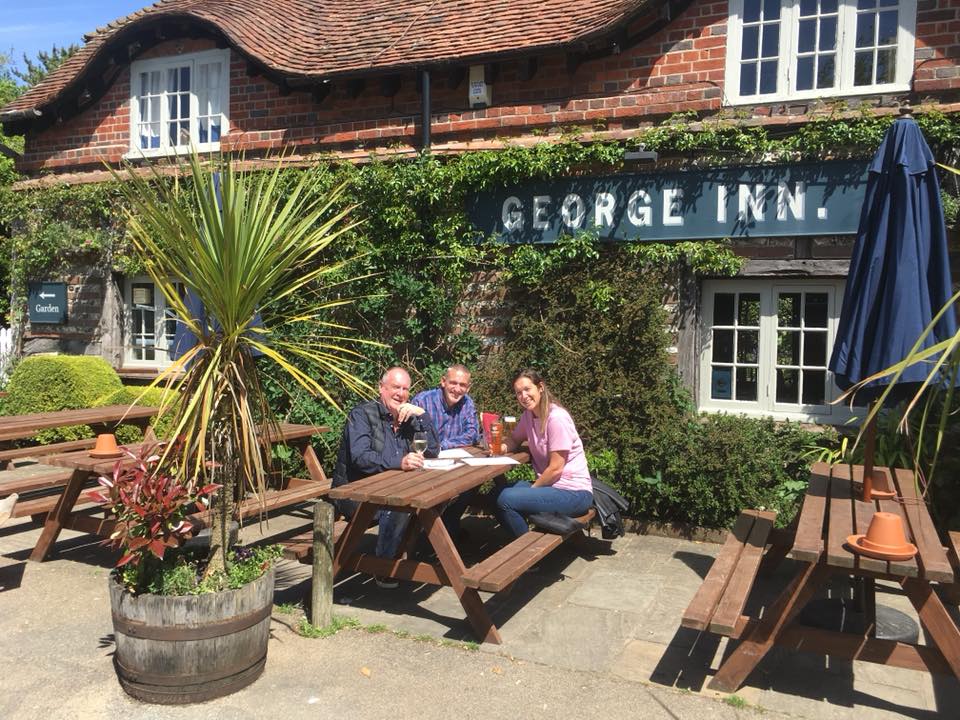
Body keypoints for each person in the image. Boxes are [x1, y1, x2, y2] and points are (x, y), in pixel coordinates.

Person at [331, 367, 440, 585]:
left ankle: (403, 551)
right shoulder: (362, 415)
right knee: (399, 506)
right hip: (355, 492)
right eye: (395, 387)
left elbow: (432, 451)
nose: (401, 393)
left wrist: (423, 415)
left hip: (393, 488)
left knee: (437, 497)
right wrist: (400, 462)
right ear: (381, 388)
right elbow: (360, 457)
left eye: (405, 389)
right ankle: (383, 566)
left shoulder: (408, 418)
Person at [496, 369, 593, 537]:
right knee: (496, 493)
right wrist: (501, 448)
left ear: (540, 387)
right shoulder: (528, 416)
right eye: (518, 393)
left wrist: (532, 490)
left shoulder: (556, 418)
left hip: (574, 493)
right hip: (550, 486)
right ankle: (522, 541)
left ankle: (525, 548)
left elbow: (556, 469)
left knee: (505, 499)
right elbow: (514, 439)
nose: (523, 396)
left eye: (527, 389)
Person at [411, 364, 480, 450]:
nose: (457, 389)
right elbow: (412, 437)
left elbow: (473, 435)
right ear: (443, 382)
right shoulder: (422, 401)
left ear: (468, 388)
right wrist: (435, 449)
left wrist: (443, 446)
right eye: (453, 383)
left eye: (462, 385)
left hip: (456, 456)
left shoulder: (467, 403)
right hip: (425, 456)